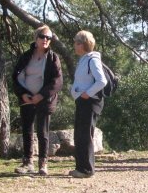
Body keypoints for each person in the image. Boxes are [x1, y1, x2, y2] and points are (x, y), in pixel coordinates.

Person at [11, 24, 64, 176]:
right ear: (36, 38)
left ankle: (43, 163)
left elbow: (57, 81)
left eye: (49, 37)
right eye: (43, 37)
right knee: (27, 130)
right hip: (27, 98)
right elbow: (16, 77)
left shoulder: (53, 58)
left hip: (44, 99)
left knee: (43, 132)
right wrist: (22, 94)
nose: (46, 40)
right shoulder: (26, 56)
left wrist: (41, 95)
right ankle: (28, 162)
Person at [69, 30, 107, 178]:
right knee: (79, 134)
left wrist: (87, 94)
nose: (74, 45)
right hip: (82, 101)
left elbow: (101, 81)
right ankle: (80, 167)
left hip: (89, 102)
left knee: (85, 135)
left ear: (83, 44)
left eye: (77, 42)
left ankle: (87, 170)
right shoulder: (84, 59)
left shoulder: (92, 59)